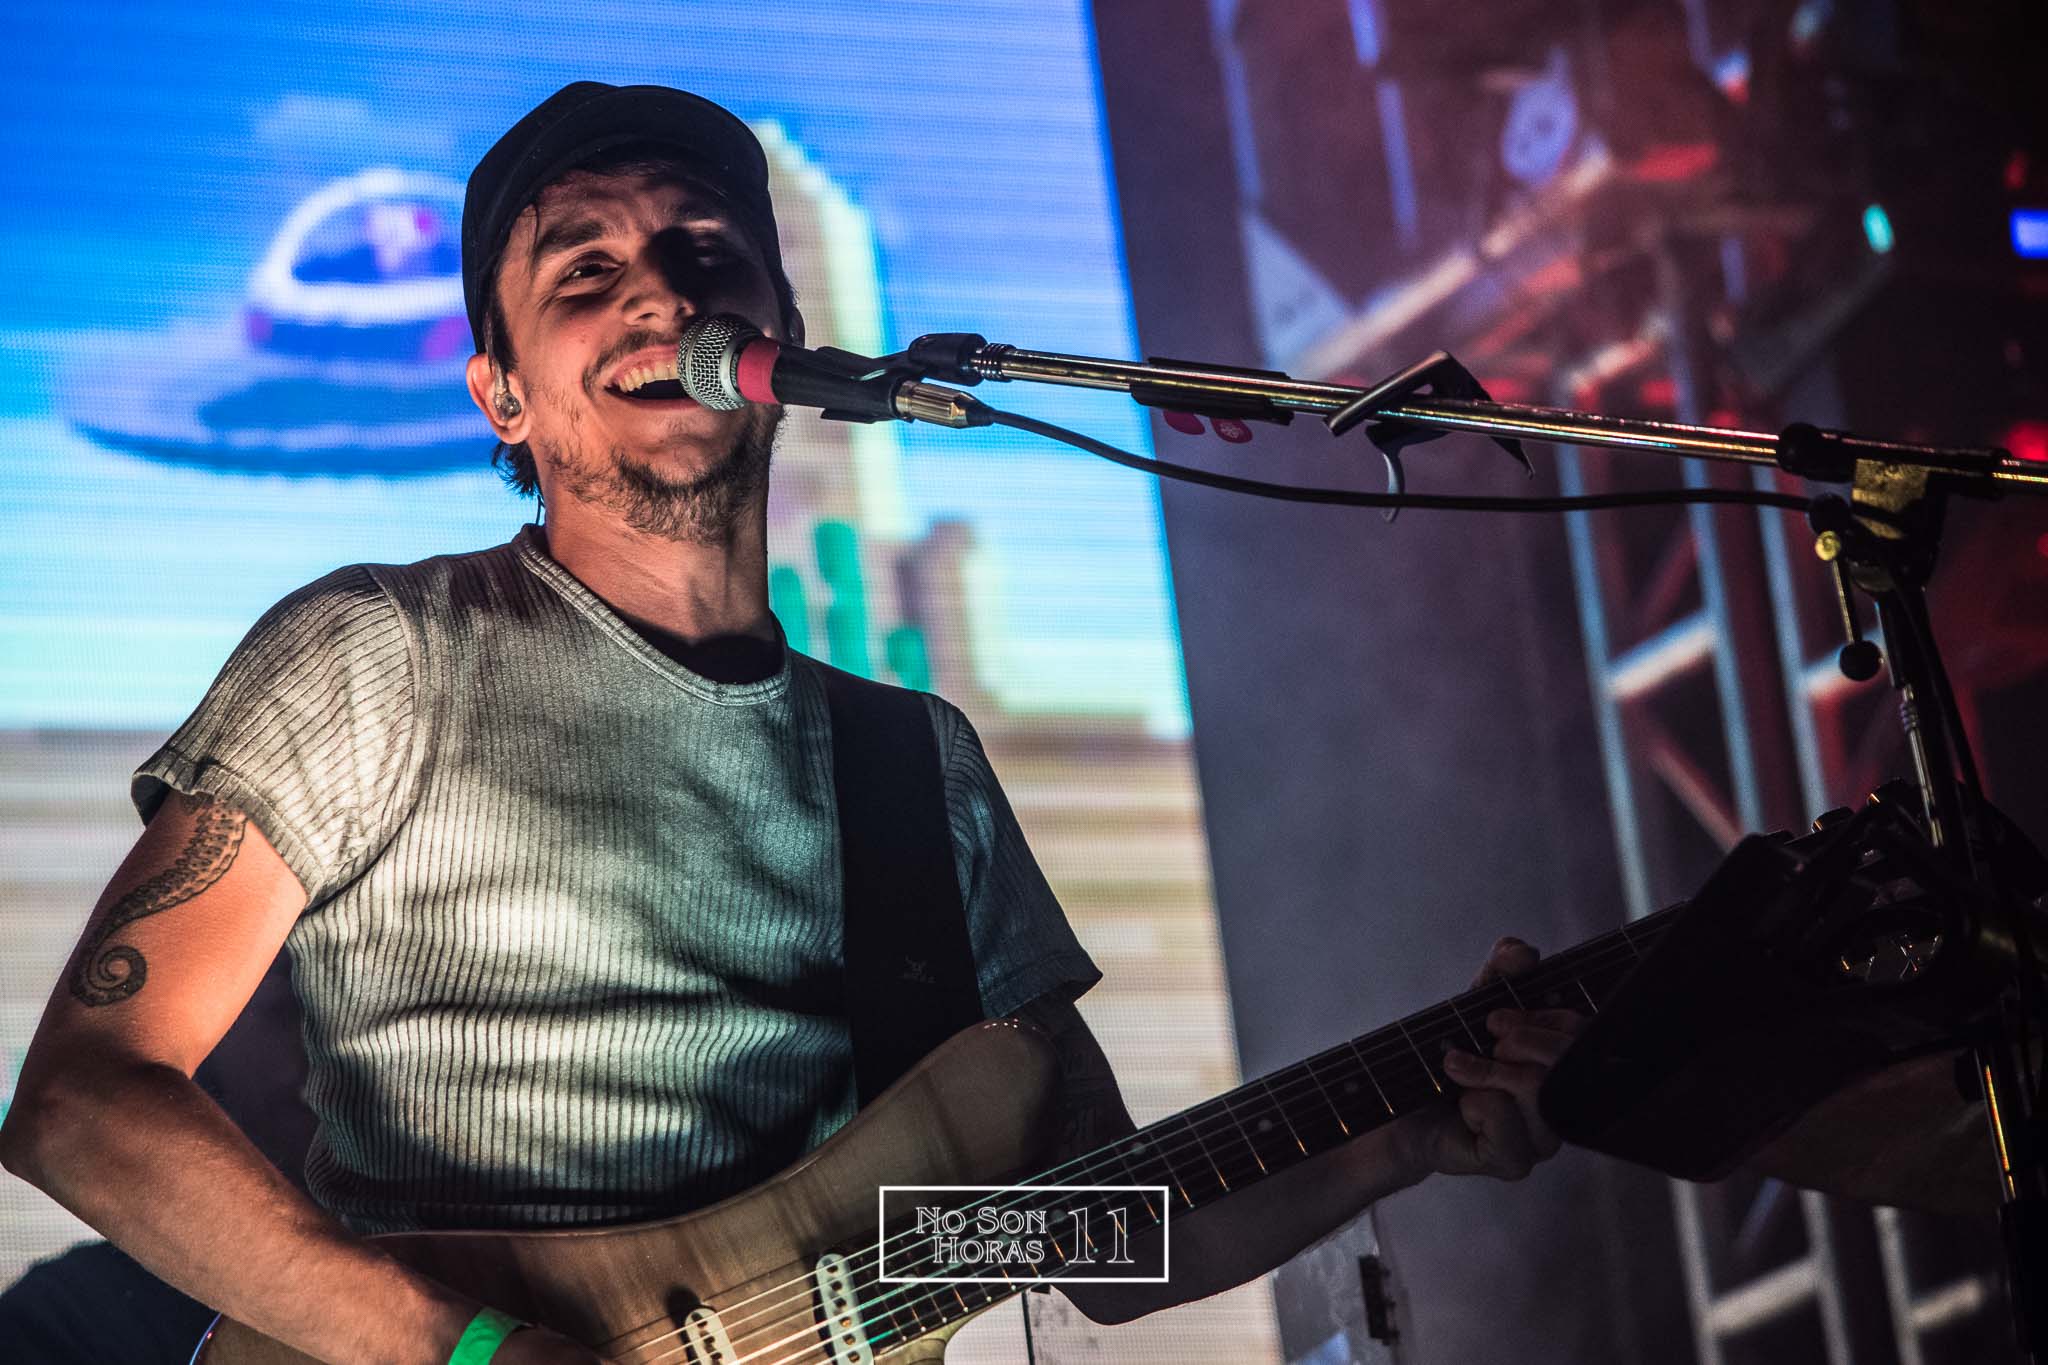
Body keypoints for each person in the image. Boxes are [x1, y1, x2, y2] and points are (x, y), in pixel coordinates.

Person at [0, 82, 1585, 1364]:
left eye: (705, 251)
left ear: (783, 327)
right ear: (503, 395)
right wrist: (471, 1351)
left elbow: (1078, 1239)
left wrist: (1407, 1137)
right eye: (583, 274)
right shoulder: (380, 654)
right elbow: (83, 1105)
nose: (660, 294)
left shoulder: (918, 768)